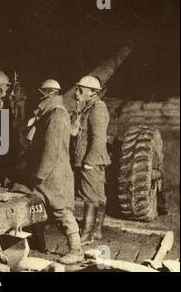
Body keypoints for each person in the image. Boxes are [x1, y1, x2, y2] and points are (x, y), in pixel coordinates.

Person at [21, 79, 83, 265]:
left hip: (53, 173)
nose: (38, 96)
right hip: (48, 171)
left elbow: (51, 148)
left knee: (61, 211)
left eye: (42, 93)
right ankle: (34, 244)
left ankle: (76, 250)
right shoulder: (50, 112)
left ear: (47, 93)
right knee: (30, 204)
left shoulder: (57, 114)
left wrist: (40, 174)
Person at [71, 75, 111, 245]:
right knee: (98, 196)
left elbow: (98, 138)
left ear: (93, 93)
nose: (77, 93)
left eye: (81, 90)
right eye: (77, 89)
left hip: (92, 161)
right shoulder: (87, 107)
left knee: (90, 197)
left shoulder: (97, 109)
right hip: (90, 160)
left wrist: (89, 161)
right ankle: (96, 231)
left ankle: (87, 235)